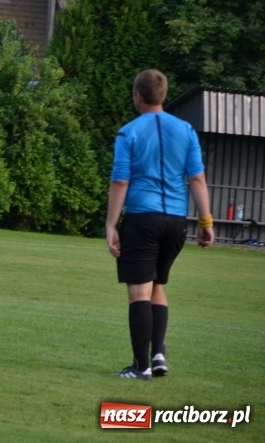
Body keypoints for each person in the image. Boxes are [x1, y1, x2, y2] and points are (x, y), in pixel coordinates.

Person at [106, 69, 214, 380]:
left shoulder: (129, 132)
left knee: (138, 292)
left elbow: (120, 180)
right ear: (163, 95)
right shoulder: (187, 130)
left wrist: (111, 224)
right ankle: (158, 354)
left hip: (143, 219)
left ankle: (140, 368)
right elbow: (196, 177)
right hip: (176, 223)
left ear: (137, 96)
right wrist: (206, 221)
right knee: (157, 286)